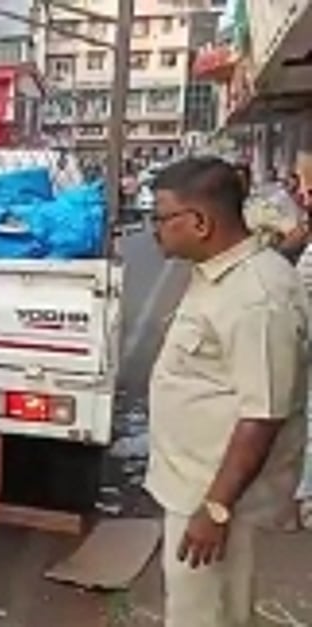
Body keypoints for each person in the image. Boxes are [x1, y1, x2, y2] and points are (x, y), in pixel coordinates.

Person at [148, 157, 309, 627]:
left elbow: (263, 414)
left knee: (207, 615)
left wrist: (215, 510)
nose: (154, 229)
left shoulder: (256, 297)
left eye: (160, 217)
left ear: (199, 222)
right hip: (195, 487)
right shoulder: (219, 274)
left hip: (220, 499)